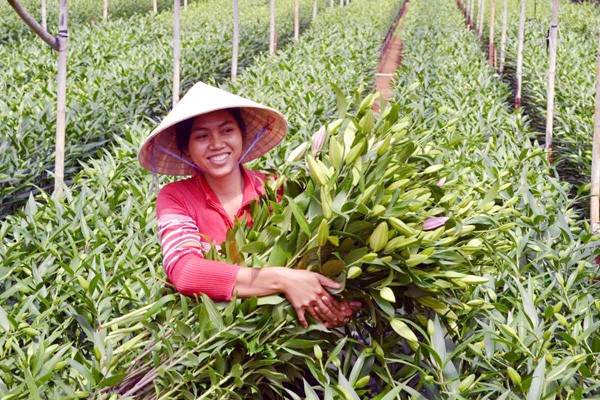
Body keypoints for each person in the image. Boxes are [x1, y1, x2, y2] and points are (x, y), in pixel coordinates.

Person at [138, 82, 358, 328]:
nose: (216, 143)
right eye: (201, 136)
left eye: (227, 131)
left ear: (242, 137)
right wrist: (282, 279)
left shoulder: (276, 188)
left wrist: (335, 303)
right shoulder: (176, 197)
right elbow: (185, 271)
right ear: (187, 150)